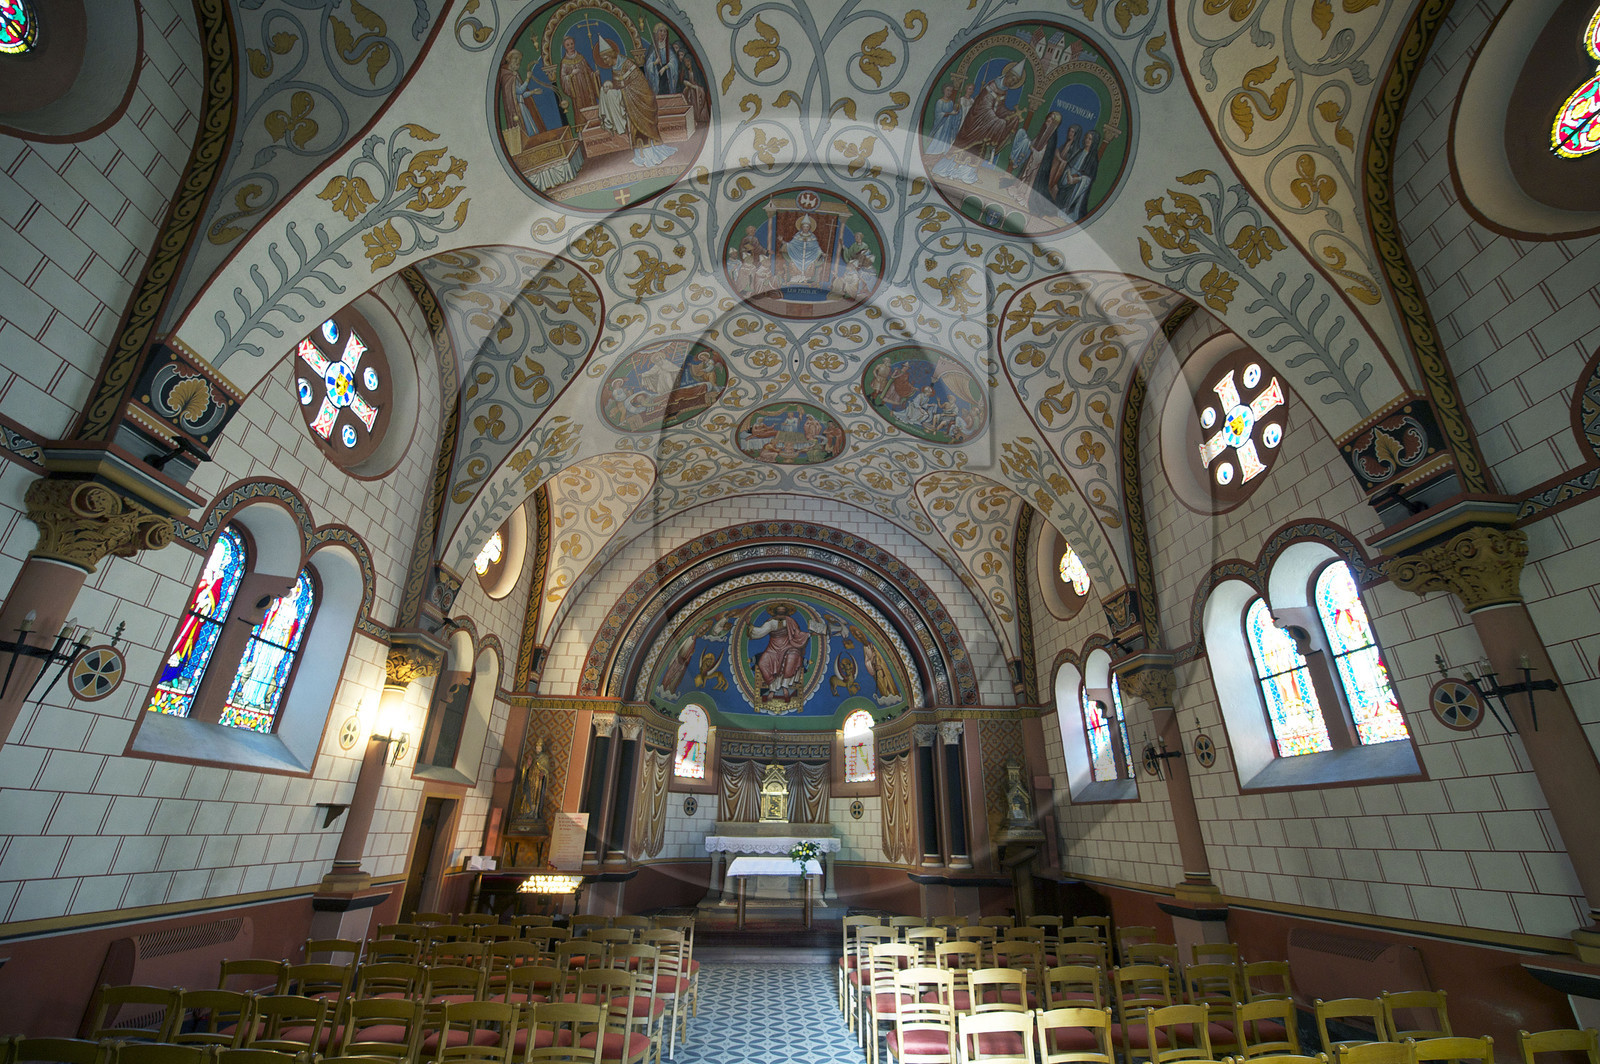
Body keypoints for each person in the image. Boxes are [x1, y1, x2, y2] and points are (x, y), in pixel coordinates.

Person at [596, 37, 676, 166]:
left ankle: (652, 154)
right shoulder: (614, 69)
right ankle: (640, 156)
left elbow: (641, 83)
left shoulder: (627, 64)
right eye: (603, 60)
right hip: (629, 105)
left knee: (644, 127)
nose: (605, 62)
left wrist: (623, 90)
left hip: (640, 102)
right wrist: (611, 90)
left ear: (611, 55)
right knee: (633, 130)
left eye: (605, 58)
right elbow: (618, 87)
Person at [750, 604, 809, 699]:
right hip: (772, 649)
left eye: (783, 612)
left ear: (786, 613)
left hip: (789, 646)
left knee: (792, 656)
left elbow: (797, 634)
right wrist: (749, 626)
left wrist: (808, 635)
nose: (781, 613)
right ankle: (772, 688)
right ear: (775, 613)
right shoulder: (770, 622)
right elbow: (759, 632)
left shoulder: (791, 621)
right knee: (762, 663)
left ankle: (785, 686)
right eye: (779, 611)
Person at [498, 49, 548, 139]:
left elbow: (522, 95)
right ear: (509, 59)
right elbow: (520, 91)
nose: (518, 62)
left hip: (522, 106)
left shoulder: (514, 75)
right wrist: (528, 79)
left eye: (519, 60)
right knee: (528, 131)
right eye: (515, 59)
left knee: (532, 129)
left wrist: (533, 92)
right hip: (518, 109)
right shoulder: (507, 77)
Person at [557, 35, 601, 127]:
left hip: (587, 89)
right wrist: (571, 74)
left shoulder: (581, 58)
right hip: (577, 93)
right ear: (565, 47)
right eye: (568, 45)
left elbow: (589, 71)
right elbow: (563, 79)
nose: (570, 46)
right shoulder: (564, 63)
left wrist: (594, 75)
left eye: (572, 44)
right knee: (580, 111)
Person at [1058, 128, 1101, 221]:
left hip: (1078, 187)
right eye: (1086, 138)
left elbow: (1088, 178)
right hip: (1068, 182)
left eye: (1090, 139)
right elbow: (1070, 165)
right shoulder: (1080, 152)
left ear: (1094, 142)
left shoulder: (1093, 159)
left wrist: (1076, 179)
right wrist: (1068, 174)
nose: (1087, 140)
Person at [781, 214, 826, 286]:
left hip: (809, 256)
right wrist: (783, 242)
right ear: (801, 227)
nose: (805, 228)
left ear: (809, 228)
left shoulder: (812, 237)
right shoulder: (797, 235)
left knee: (811, 263)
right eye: (804, 227)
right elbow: (791, 245)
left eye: (807, 227)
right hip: (797, 255)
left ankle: (807, 278)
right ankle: (796, 277)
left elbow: (816, 247)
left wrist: (822, 253)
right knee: (793, 263)